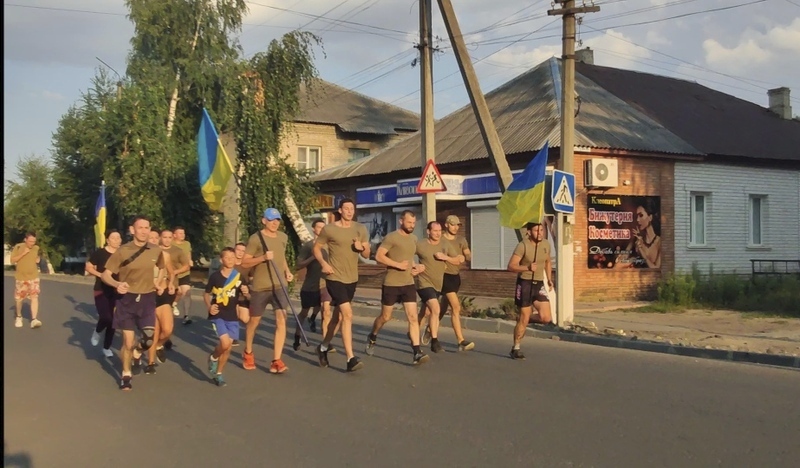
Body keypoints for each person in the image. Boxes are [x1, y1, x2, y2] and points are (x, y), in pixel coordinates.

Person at [101, 215, 171, 390]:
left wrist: (159, 282)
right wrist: (117, 284)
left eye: (147, 227)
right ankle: (126, 374)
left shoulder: (155, 250)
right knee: (128, 342)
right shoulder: (123, 251)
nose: (144, 231)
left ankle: (138, 352)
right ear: (132, 230)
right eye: (140, 227)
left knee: (148, 339)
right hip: (127, 299)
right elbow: (105, 274)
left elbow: (162, 268)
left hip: (147, 299)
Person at [365, 210, 430, 365]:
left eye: (414, 223)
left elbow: (408, 259)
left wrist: (417, 267)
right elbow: (379, 256)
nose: (412, 226)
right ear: (401, 221)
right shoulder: (391, 237)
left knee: (413, 317)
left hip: (408, 283)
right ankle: (373, 335)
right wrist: (397, 265)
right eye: (409, 222)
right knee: (385, 317)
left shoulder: (414, 238)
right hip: (391, 284)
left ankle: (416, 352)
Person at [313, 198, 370, 372]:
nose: (349, 211)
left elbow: (367, 254)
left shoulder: (360, 229)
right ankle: (350, 358)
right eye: (346, 208)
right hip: (334, 277)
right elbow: (316, 248)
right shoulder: (329, 229)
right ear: (340, 210)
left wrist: (361, 248)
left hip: (351, 278)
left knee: (337, 319)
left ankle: (322, 347)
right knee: (348, 314)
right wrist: (323, 263)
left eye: (352, 209)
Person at [240, 208, 294, 374]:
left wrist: (287, 271)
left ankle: (276, 359)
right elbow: (244, 262)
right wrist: (263, 258)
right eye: (271, 220)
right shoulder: (256, 239)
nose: (275, 223)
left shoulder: (283, 237)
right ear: (264, 221)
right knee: (254, 321)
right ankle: (248, 351)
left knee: (281, 319)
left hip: (279, 285)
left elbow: (281, 256)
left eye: (277, 220)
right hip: (261, 286)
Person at [424, 215, 474, 351]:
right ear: (446, 225)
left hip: (454, 276)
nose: (456, 227)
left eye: (458, 225)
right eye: (453, 225)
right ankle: (461, 341)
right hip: (442, 275)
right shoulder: (440, 239)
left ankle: (429, 329)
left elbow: (467, 254)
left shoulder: (461, 240)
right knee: (456, 307)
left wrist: (466, 256)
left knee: (440, 308)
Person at [144, 228, 189, 374]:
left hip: (162, 293)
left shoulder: (164, 255)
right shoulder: (140, 255)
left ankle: (158, 346)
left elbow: (171, 271)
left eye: (156, 238)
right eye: (150, 238)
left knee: (167, 329)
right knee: (154, 331)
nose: (154, 240)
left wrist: (170, 284)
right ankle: (150, 363)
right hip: (147, 295)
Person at [415, 221, 464, 354]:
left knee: (427, 312)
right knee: (436, 308)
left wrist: (445, 257)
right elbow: (407, 255)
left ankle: (414, 331)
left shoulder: (444, 244)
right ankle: (435, 341)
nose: (437, 233)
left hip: (437, 284)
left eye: (439, 231)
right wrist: (414, 267)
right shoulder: (421, 244)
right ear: (428, 231)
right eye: (435, 231)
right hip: (423, 283)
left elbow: (459, 259)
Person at [506, 222, 553, 360]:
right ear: (529, 232)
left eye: (542, 230)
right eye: (536, 230)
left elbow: (547, 261)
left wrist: (549, 279)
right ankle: (516, 348)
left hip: (539, 284)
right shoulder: (523, 246)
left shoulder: (545, 244)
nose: (540, 233)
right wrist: (527, 268)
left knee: (546, 318)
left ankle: (524, 320)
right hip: (524, 283)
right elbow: (511, 266)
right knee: (524, 316)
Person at [204, 247, 250, 387]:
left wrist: (246, 292)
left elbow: (247, 297)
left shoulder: (239, 277)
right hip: (218, 314)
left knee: (228, 348)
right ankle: (213, 357)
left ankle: (218, 374)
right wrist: (209, 307)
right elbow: (206, 294)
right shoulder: (215, 277)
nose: (230, 260)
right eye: (227, 257)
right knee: (225, 343)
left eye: (233, 257)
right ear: (221, 260)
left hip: (232, 316)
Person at [293, 219, 339, 353]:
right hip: (310, 285)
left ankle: (325, 343)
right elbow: (298, 265)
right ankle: (297, 334)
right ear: (313, 229)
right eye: (319, 227)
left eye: (324, 227)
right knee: (304, 312)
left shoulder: (330, 246)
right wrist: (312, 258)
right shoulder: (308, 246)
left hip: (325, 284)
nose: (321, 230)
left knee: (326, 311)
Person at [85, 230, 123, 357]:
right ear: (108, 240)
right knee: (106, 317)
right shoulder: (100, 253)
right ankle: (97, 331)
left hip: (116, 289)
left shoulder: (122, 254)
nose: (117, 240)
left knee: (114, 320)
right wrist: (100, 274)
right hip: (101, 289)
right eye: (114, 238)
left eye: (119, 238)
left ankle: (107, 347)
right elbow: (88, 266)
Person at [11, 232, 43, 329]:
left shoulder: (36, 248)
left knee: (34, 297)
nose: (32, 243)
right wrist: (23, 253)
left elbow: (37, 258)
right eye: (30, 241)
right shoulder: (18, 247)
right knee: (19, 299)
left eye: (34, 241)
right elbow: (12, 260)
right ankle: (19, 316)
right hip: (21, 277)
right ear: (25, 239)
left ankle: (34, 319)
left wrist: (38, 259)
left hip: (33, 277)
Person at [617, 200, 662, 269]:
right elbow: (619, 264)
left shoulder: (659, 242)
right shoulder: (636, 239)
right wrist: (631, 259)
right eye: (637, 216)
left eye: (641, 215)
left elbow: (656, 269)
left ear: (650, 217)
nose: (638, 219)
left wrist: (641, 252)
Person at [172, 226, 194, 325]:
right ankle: (174, 304)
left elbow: (188, 255)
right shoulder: (170, 244)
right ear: (174, 235)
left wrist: (190, 261)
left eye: (183, 233)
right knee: (179, 292)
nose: (182, 235)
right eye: (180, 233)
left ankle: (186, 316)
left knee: (187, 292)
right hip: (173, 272)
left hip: (184, 271)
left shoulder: (187, 244)